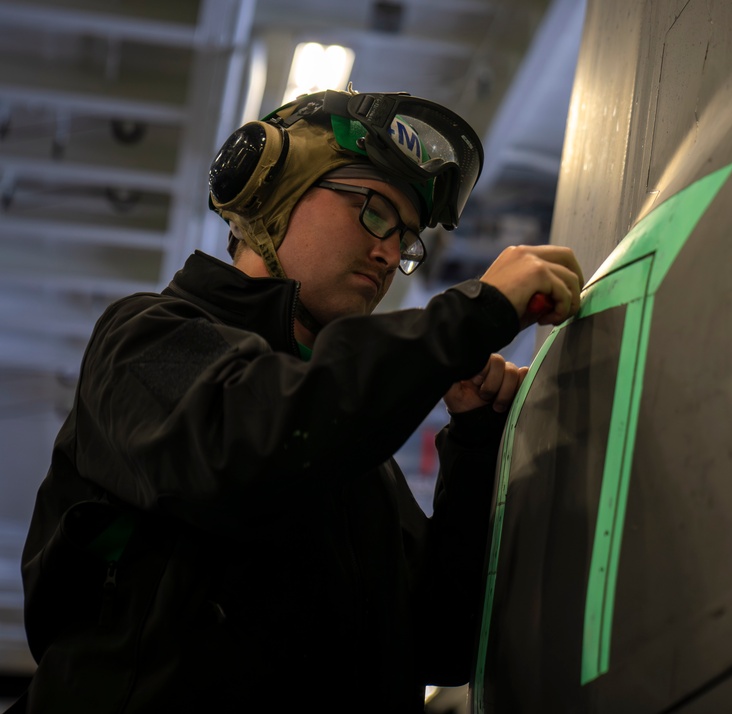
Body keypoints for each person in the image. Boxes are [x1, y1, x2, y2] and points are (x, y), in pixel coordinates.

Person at [17, 88, 582, 712]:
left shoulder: (353, 460)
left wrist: (474, 444)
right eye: (373, 211)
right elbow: (248, 442)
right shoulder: (146, 340)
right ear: (274, 191)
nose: (391, 253)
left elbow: (438, 642)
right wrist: (469, 316)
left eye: (406, 239)